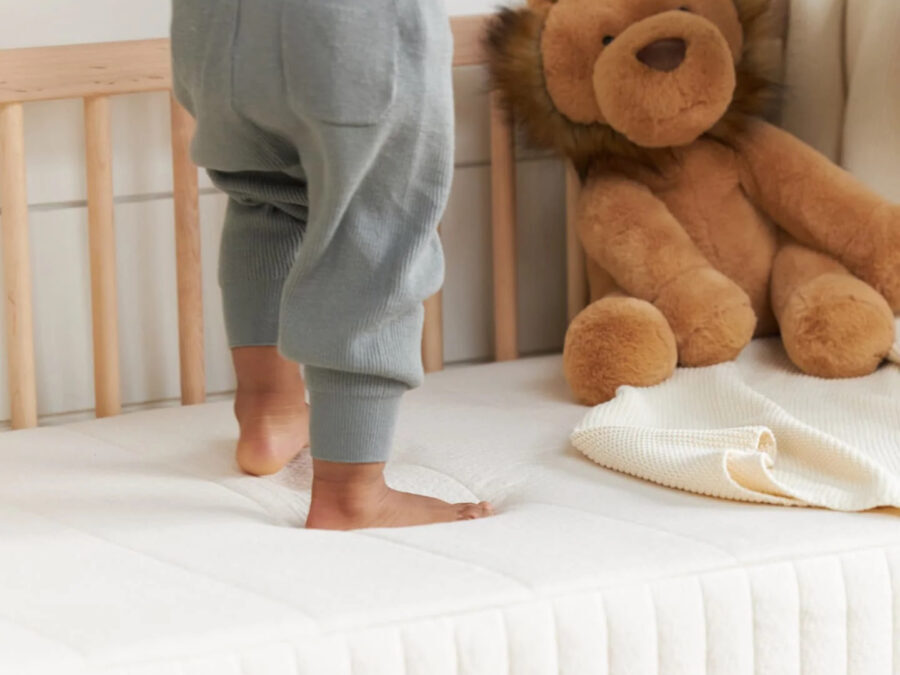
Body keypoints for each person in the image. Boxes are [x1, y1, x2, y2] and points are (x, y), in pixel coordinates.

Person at [171, 0, 493, 529]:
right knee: (377, 223)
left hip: (212, 28)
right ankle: (351, 493)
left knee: (265, 195)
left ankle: (268, 411)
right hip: (350, 25)